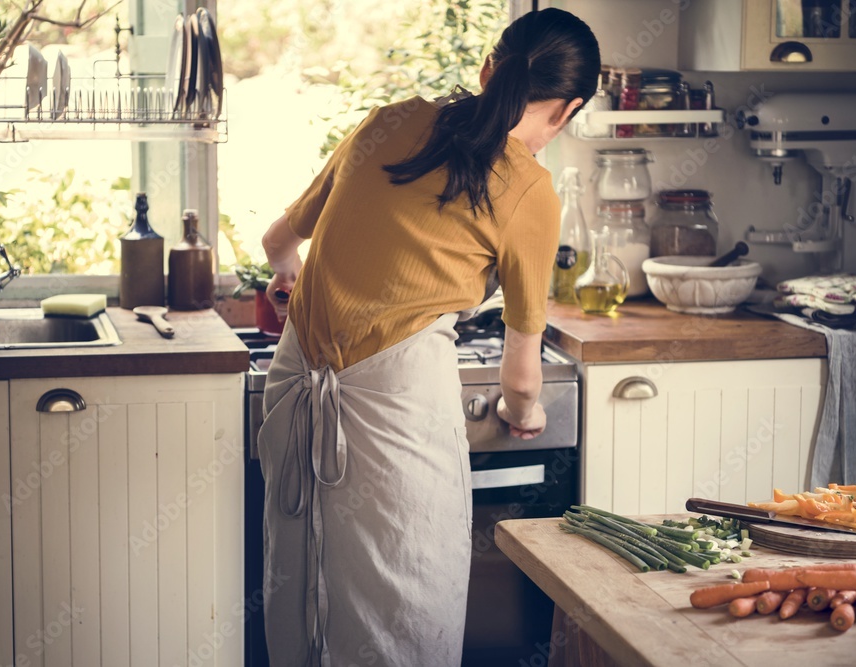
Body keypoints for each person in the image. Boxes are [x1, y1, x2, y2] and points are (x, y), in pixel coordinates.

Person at [257, 8, 600, 665]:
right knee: (402, 604)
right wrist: (520, 414)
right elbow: (523, 378)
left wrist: (290, 276)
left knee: (300, 587)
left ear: (487, 69)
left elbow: (280, 241)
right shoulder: (529, 189)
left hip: (295, 376)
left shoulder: (392, 117)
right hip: (398, 408)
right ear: (567, 110)